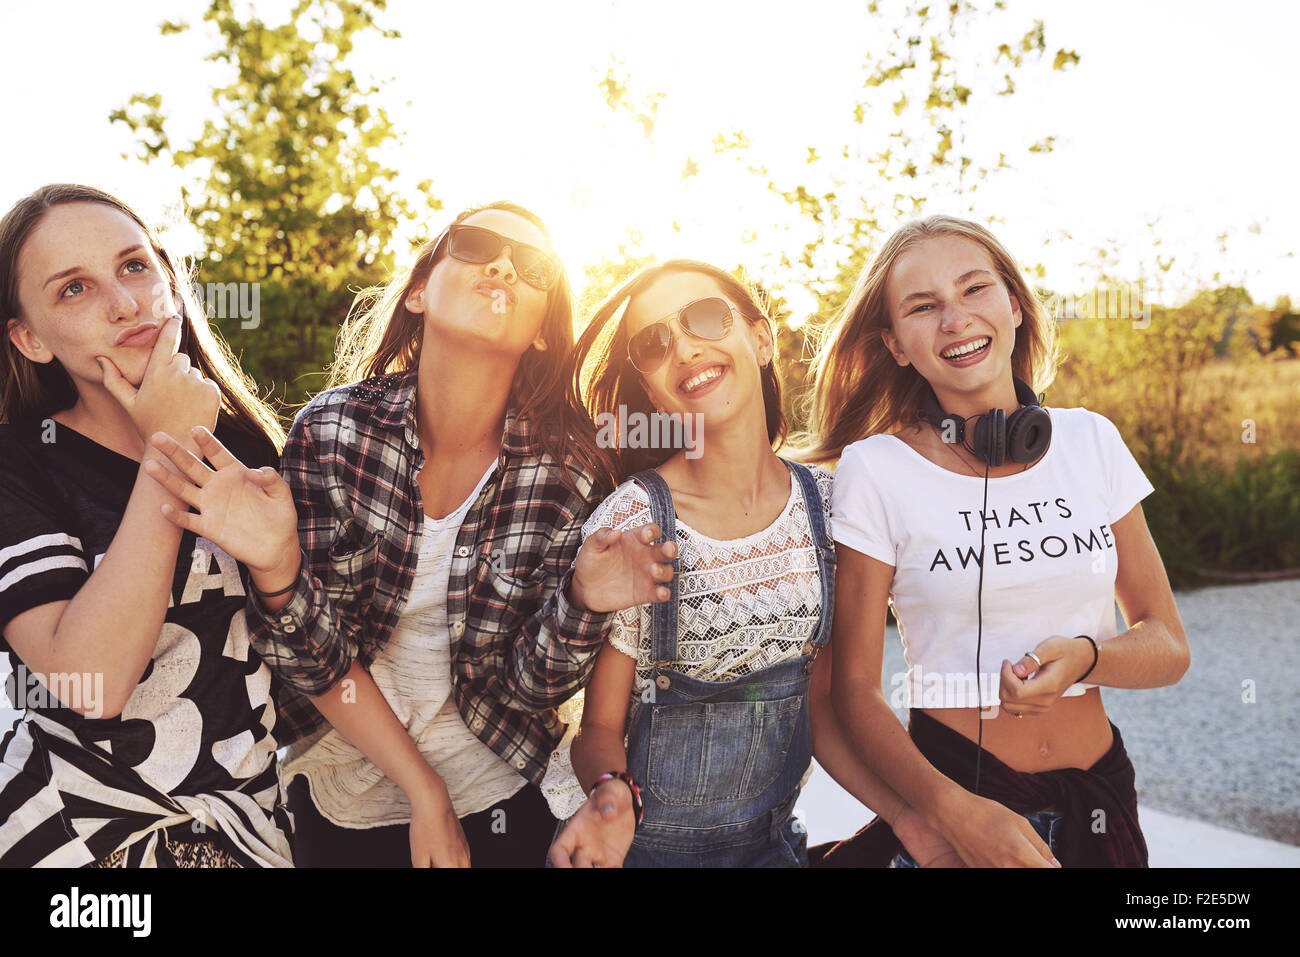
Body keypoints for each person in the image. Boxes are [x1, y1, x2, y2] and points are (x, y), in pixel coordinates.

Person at [144, 201, 674, 867]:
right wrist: (425, 794)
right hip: (338, 781)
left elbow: (529, 689)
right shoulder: (333, 432)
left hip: (498, 781)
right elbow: (308, 654)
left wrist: (584, 602)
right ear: (420, 290)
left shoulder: (569, 471)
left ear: (543, 330)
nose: (504, 264)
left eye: (534, 265)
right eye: (476, 244)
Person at [544, 260, 961, 867]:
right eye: (654, 343)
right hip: (640, 852)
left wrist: (906, 818)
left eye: (706, 318)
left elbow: (822, 707)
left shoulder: (828, 504)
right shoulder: (636, 521)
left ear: (761, 339)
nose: (685, 347)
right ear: (651, 390)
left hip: (771, 848)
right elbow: (598, 729)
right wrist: (610, 803)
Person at [804, 215, 1189, 867]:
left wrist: (1085, 656)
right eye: (923, 306)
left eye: (974, 289)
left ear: (1014, 304)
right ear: (896, 344)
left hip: (1100, 801)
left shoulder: (1092, 440)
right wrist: (949, 814)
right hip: (958, 805)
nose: (955, 319)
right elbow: (853, 691)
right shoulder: (876, 469)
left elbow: (1168, 643)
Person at [0, 184, 292, 867]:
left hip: (246, 829)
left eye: (134, 266)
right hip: (70, 836)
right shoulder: (19, 462)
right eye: (74, 288)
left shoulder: (247, 449)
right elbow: (90, 684)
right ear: (30, 338)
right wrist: (166, 451)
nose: (124, 302)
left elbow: (300, 652)